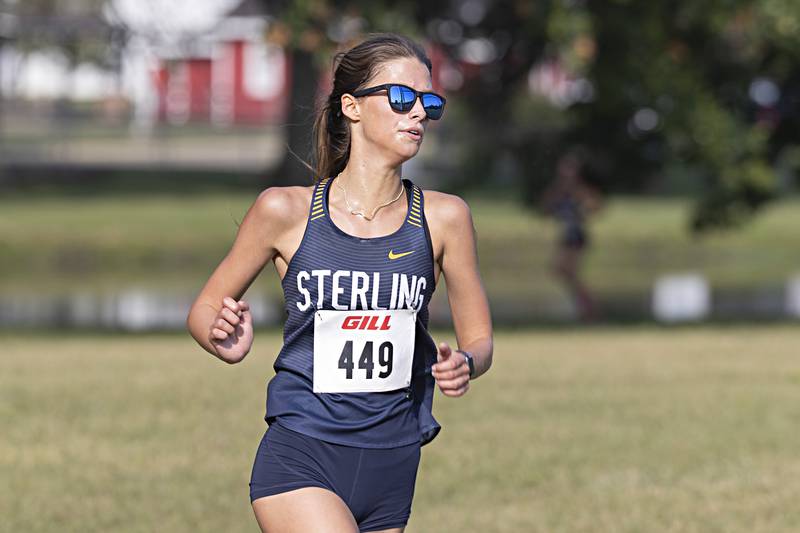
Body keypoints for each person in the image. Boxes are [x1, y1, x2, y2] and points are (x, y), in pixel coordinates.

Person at [186, 33, 493, 533]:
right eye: (400, 98)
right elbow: (202, 313)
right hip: (302, 452)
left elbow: (480, 340)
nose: (417, 113)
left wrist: (465, 363)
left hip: (394, 460)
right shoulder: (283, 211)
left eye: (429, 102)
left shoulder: (445, 218)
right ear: (351, 106)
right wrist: (222, 339)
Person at [540, 151, 603, 321]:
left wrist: (582, 202)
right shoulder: (558, 191)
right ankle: (584, 305)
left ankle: (588, 306)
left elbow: (595, 207)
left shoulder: (580, 190)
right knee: (562, 271)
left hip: (576, 235)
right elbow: (546, 208)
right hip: (566, 235)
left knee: (567, 271)